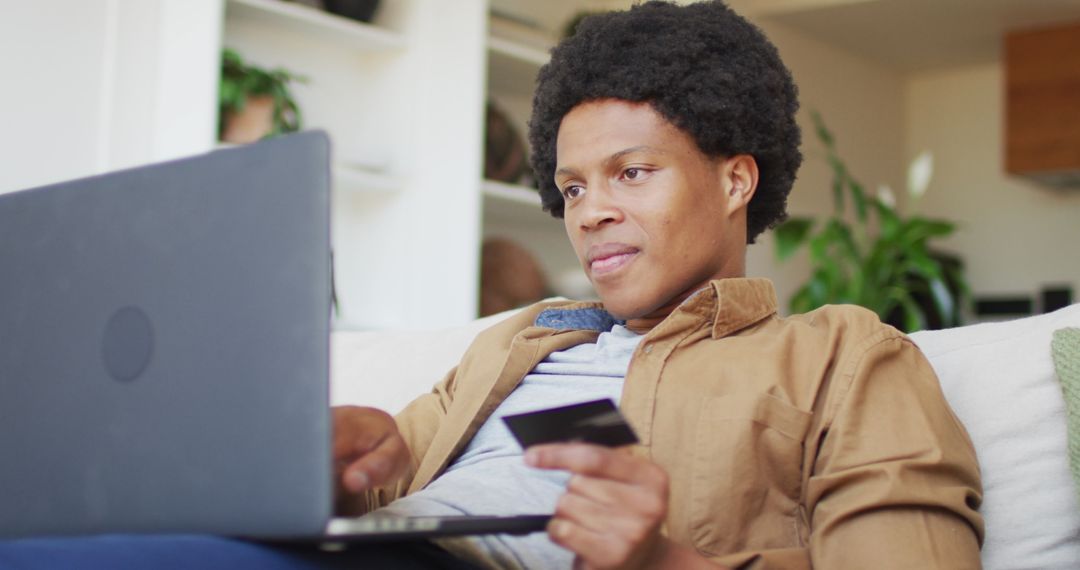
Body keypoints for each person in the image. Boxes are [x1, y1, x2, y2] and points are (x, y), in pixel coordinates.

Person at [332, 1, 984, 569]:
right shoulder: (516, 343)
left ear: (736, 182)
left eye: (634, 172)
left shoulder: (843, 358)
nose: (589, 212)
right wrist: (327, 472)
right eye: (574, 188)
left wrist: (658, 562)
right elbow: (375, 491)